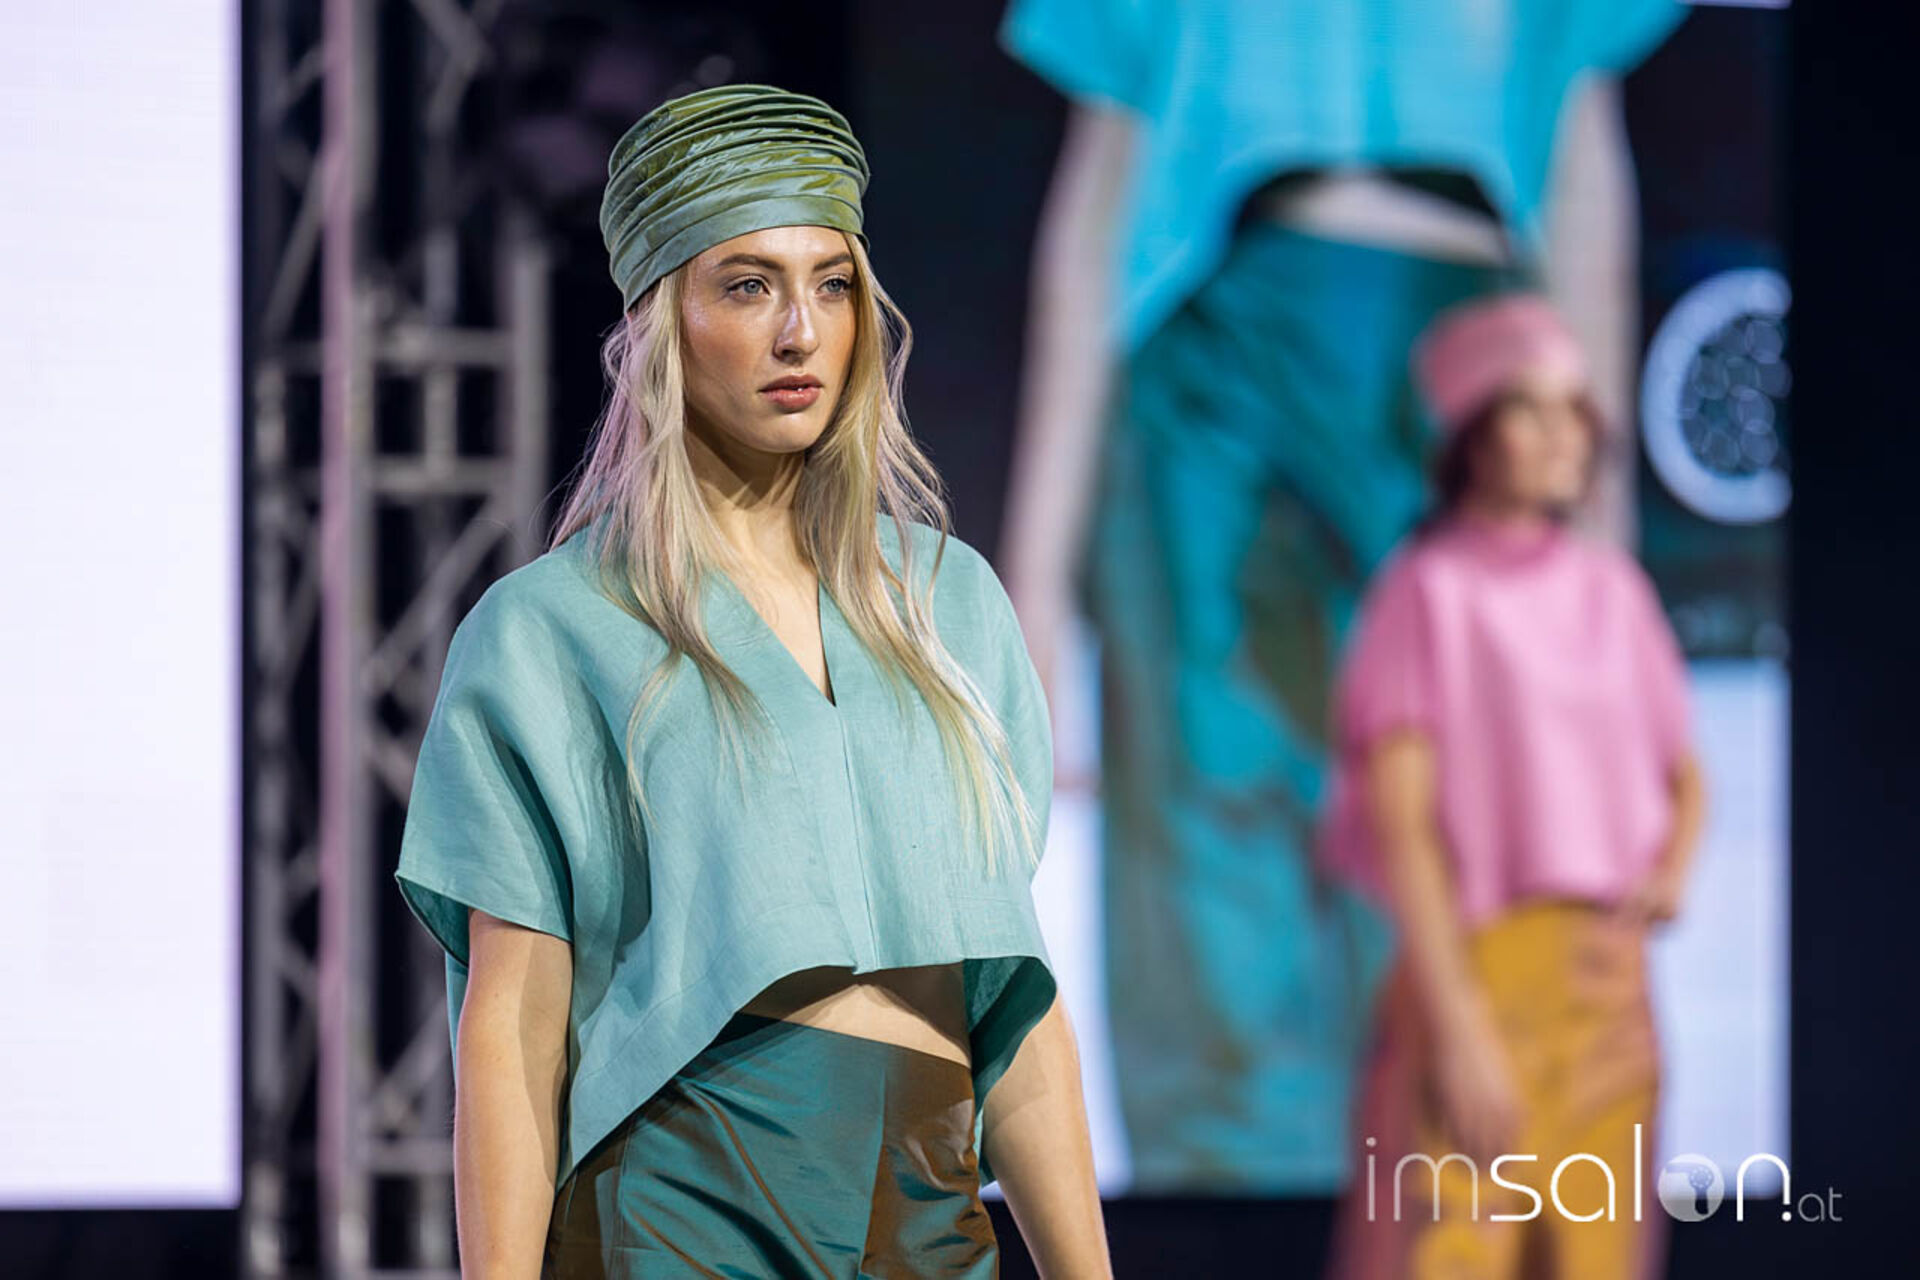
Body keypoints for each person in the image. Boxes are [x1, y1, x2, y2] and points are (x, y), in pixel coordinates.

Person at [393, 83, 1111, 1278]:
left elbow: (1014, 996)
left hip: (926, 1211)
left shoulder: (951, 606)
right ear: (658, 320)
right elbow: (512, 1028)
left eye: (832, 283)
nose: (800, 332)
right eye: (746, 285)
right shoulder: (553, 629)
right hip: (682, 1209)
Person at [995, 0, 1688, 1193]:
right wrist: (1034, 592)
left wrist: (1606, 573)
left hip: (1464, 367)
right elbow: (1100, 193)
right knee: (1217, 873)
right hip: (1214, 359)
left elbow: (1586, 184)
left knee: (1471, 850)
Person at [1316, 293, 1708, 1279]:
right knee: (1456, 1251)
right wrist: (1460, 1030)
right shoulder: (1427, 592)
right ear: (1474, 434)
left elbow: (1684, 768)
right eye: (1532, 407)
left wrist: (1670, 869)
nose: (1566, 433)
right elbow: (1404, 828)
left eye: (1577, 407)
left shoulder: (1612, 589)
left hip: (1608, 991)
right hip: (1482, 978)